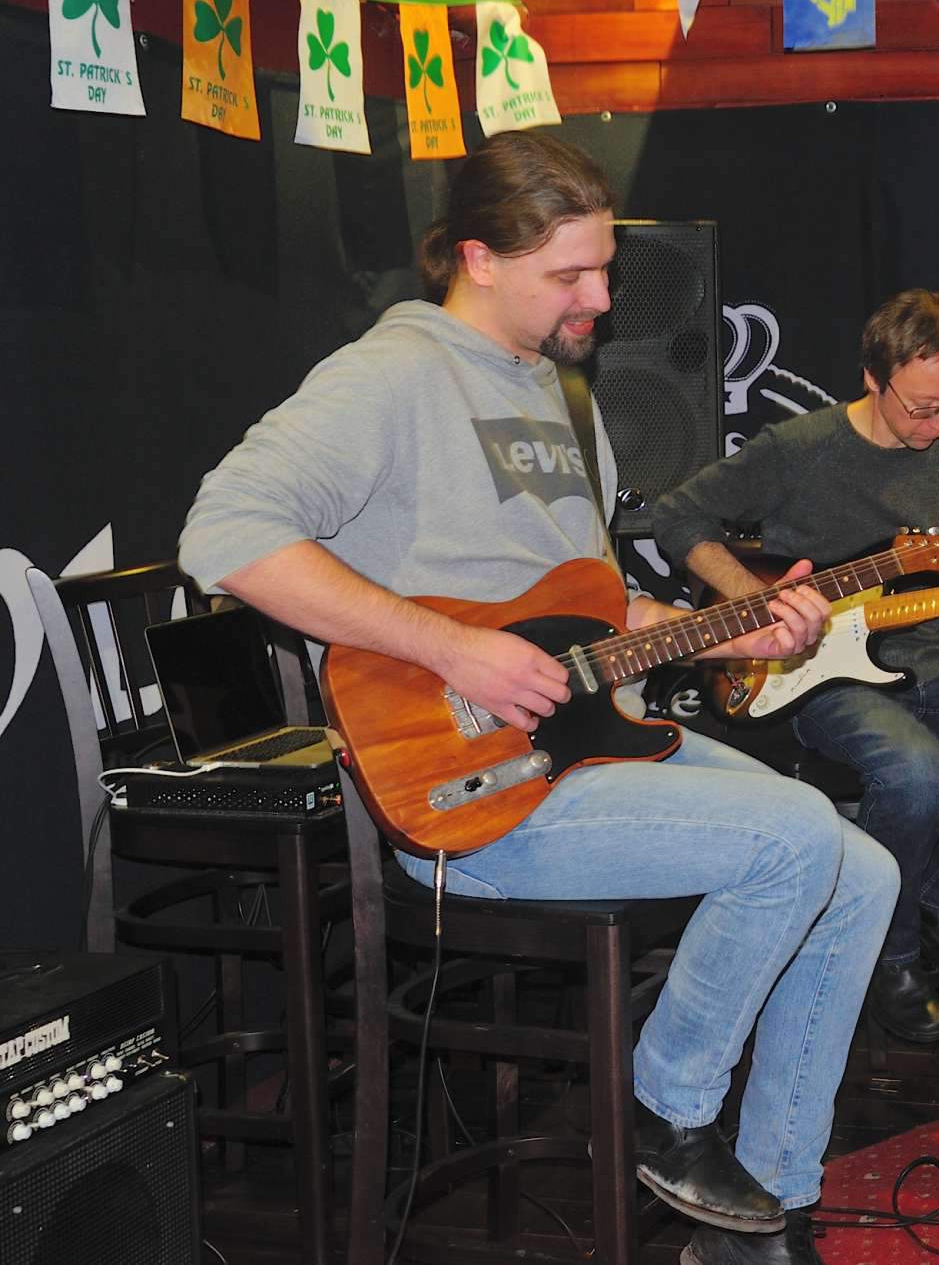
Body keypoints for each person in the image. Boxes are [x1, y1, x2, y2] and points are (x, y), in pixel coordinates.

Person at [179, 130, 893, 1265]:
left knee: (864, 871)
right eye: (571, 274)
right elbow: (223, 535)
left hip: (585, 747)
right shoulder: (393, 374)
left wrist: (733, 627)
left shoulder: (564, 395)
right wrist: (451, 649)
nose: (600, 299)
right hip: (470, 791)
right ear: (477, 257)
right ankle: (662, 1107)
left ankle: (763, 1218)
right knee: (795, 834)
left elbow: (590, 617)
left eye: (603, 268)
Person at [654, 289, 939, 1043]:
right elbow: (677, 515)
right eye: (923, 408)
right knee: (921, 773)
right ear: (872, 379)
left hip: (936, 662)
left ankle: (934, 894)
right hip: (819, 671)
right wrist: (756, 603)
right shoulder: (799, 447)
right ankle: (891, 955)